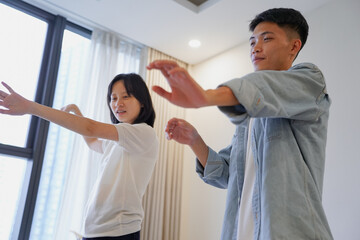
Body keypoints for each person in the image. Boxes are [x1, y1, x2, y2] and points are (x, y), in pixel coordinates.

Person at [147, 8, 333, 240]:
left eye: (267, 39)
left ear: (294, 47)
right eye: (252, 41)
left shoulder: (310, 80)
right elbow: (227, 174)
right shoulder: (250, 118)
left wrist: (207, 96)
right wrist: (195, 140)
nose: (256, 47)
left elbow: (267, 88)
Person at [0, 73, 159, 240]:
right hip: (95, 230)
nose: (118, 103)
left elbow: (90, 128)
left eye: (125, 96)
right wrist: (76, 110)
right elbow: (92, 141)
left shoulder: (143, 133)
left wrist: (30, 107)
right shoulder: (117, 141)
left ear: (142, 102)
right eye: (113, 98)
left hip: (118, 232)